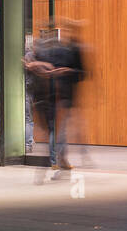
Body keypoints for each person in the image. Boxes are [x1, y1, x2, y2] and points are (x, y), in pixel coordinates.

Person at [28, 19, 86, 171]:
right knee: (56, 129)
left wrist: (61, 71)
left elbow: (75, 72)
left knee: (58, 129)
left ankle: (58, 158)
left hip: (59, 95)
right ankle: (57, 159)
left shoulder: (66, 50)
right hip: (49, 96)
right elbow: (44, 72)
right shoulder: (54, 51)